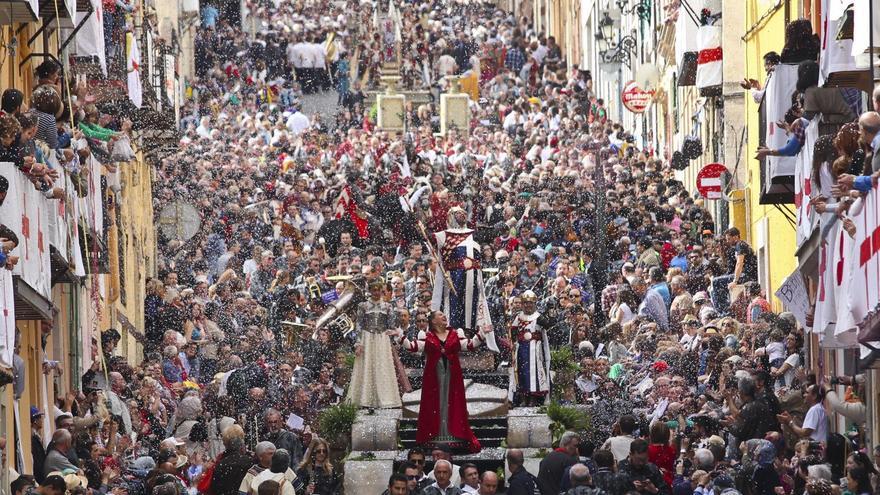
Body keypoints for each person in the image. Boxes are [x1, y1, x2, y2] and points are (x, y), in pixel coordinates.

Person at [397, 311, 489, 452]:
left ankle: (454, 435)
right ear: (433, 321)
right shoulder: (427, 336)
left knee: (453, 402)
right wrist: (400, 335)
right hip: (433, 378)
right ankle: (435, 435)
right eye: (440, 315)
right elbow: (412, 347)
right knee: (435, 402)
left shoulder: (455, 334)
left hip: (453, 376)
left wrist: (482, 333)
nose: (444, 316)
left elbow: (470, 346)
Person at [430, 207, 498, 353]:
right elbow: (428, 238)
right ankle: (454, 336)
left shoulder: (475, 235)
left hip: (473, 278)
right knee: (454, 306)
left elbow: (494, 232)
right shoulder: (444, 235)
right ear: (450, 217)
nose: (462, 215)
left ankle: (470, 336)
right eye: (457, 213)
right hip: (454, 277)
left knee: (472, 307)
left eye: (463, 213)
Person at [347, 279, 401, 408]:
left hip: (382, 338)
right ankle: (365, 398)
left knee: (382, 365)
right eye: (374, 290)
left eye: (379, 290)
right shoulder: (363, 306)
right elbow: (359, 325)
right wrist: (358, 343)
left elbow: (392, 325)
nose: (377, 292)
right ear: (369, 290)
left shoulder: (388, 306)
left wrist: (394, 331)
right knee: (367, 365)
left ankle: (385, 397)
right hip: (367, 338)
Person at [509, 290, 552, 406]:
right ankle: (524, 397)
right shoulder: (518, 317)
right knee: (522, 372)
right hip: (522, 349)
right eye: (526, 303)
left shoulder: (538, 317)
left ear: (534, 304)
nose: (528, 305)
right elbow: (512, 331)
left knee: (534, 373)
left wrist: (550, 315)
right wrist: (513, 343)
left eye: (530, 303)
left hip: (534, 350)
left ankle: (533, 398)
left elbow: (549, 326)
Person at [538, 431, 580, 495]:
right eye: (575, 446)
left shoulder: (547, 457)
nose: (577, 449)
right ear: (566, 445)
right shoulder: (569, 461)